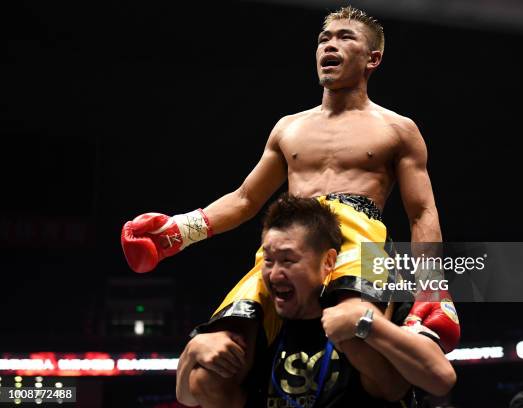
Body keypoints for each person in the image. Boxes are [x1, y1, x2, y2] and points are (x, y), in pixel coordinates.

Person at [121, 4, 460, 402]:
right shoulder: (289, 127)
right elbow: (246, 198)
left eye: (344, 37)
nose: (329, 45)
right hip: (288, 243)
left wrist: (432, 287)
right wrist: (178, 232)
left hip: (359, 243)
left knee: (358, 332)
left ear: (373, 59)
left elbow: (422, 212)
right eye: (323, 39)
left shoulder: (398, 129)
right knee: (221, 351)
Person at [176, 195, 455, 407]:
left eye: (288, 260)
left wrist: (369, 324)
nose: (274, 273)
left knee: (358, 335)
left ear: (328, 263)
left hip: (361, 238)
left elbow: (441, 379)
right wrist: (192, 349)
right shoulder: (259, 328)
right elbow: (192, 394)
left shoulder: (365, 309)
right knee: (207, 371)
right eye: (268, 260)